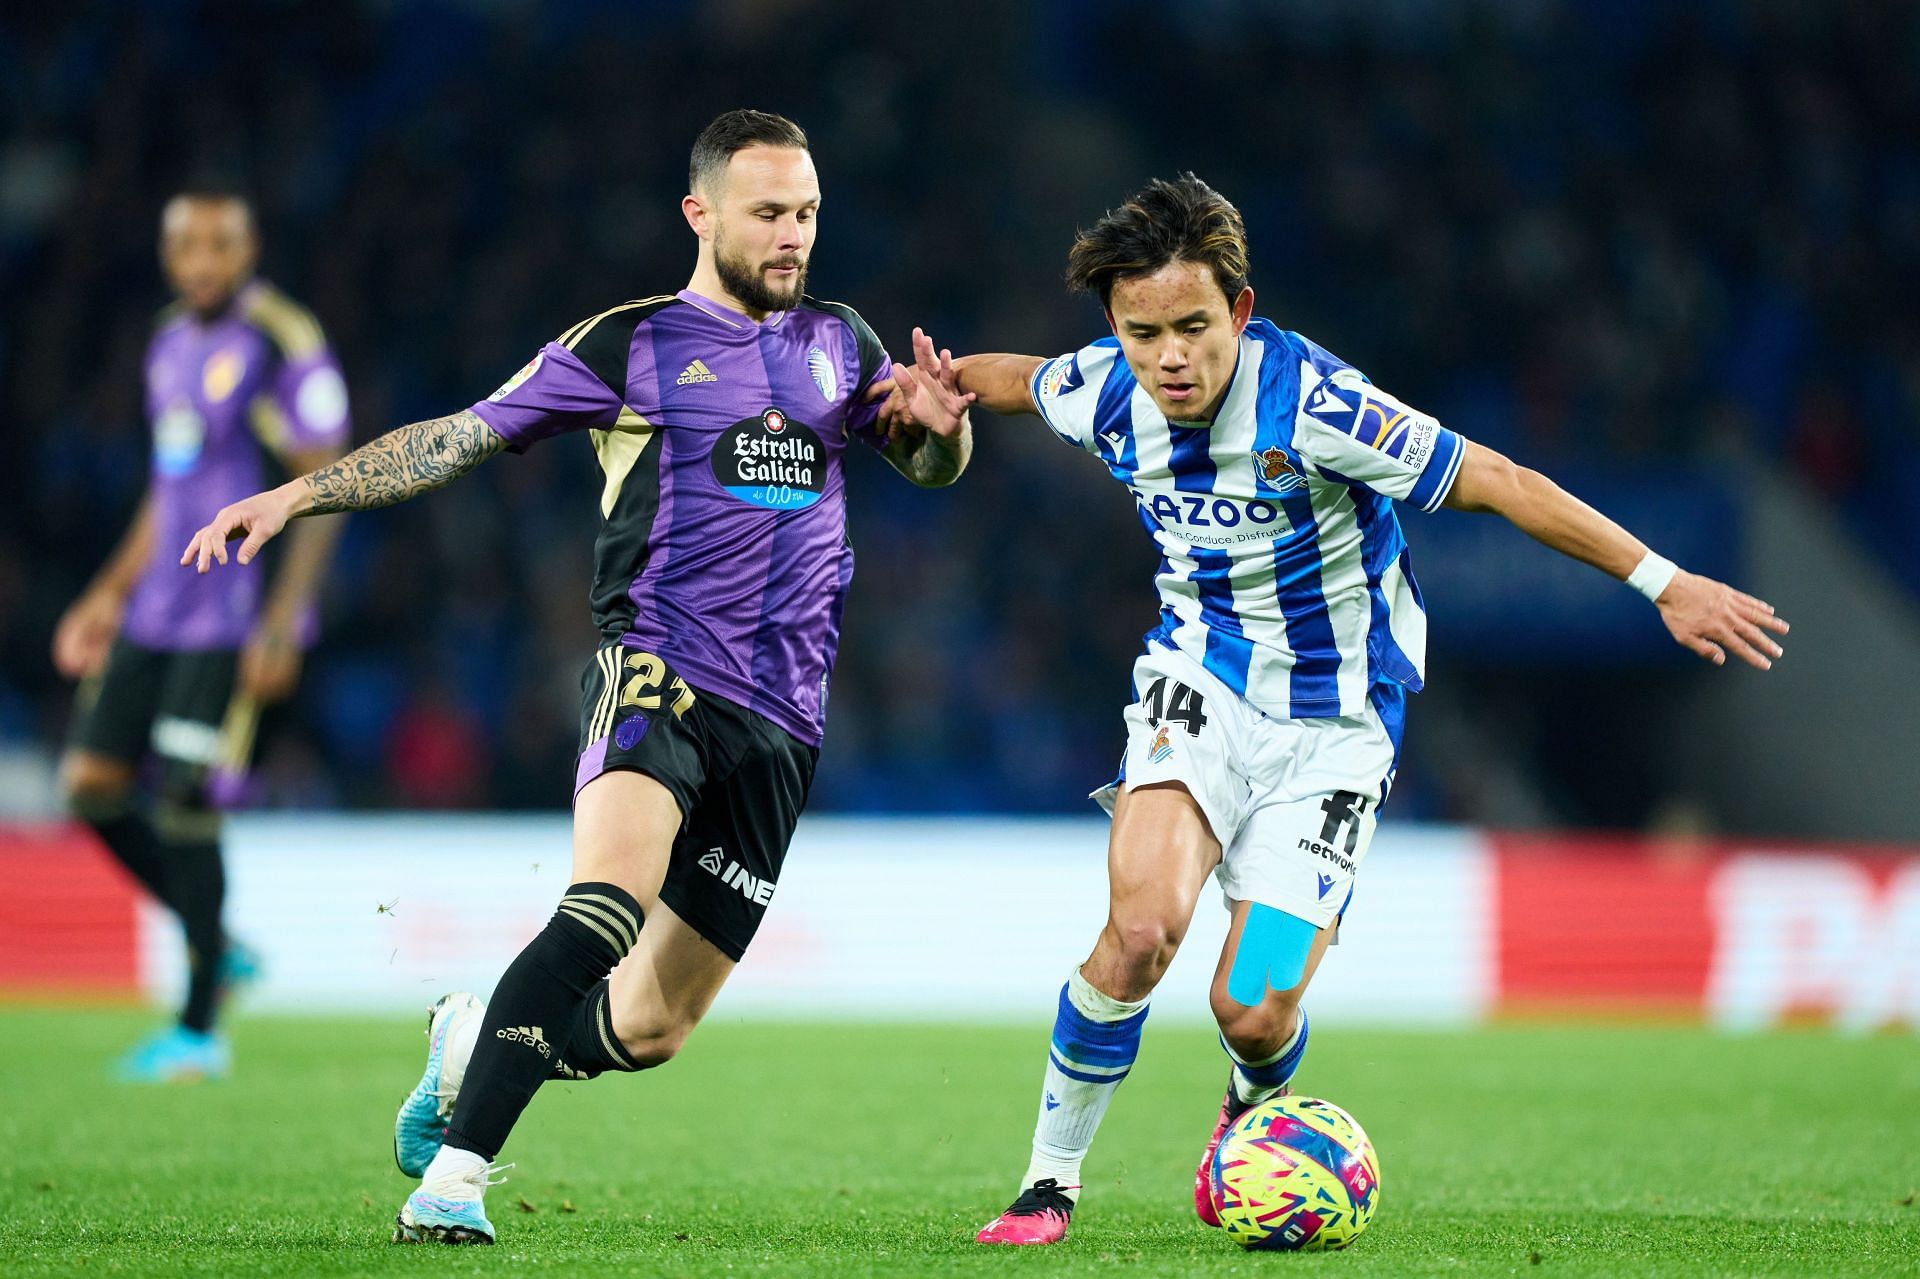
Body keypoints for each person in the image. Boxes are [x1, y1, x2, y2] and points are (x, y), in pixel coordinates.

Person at [939, 174, 1789, 1246]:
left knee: (1250, 1005)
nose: (1170, 358)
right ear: (1113, 327)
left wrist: (1663, 582)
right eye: (1142, 332)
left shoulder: (1322, 406)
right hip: (1197, 686)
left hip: (1337, 732)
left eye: (1195, 328)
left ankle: (1252, 1111)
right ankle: (1048, 1184)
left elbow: (1500, 479)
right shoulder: (1104, 389)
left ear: (1240, 313)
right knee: (1143, 928)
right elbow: (1011, 380)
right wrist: (922, 390)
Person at [180, 109, 974, 1246]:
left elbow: (931, 465)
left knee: (651, 1027)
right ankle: (452, 1182)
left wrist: (943, 432)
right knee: (604, 904)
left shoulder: (841, 342)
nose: (793, 235)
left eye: (805, 213)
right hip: (659, 669)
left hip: (787, 719)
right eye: (768, 214)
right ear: (701, 213)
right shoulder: (630, 342)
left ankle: (470, 1043)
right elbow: (456, 437)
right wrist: (294, 496)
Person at [52, 187, 350, 1082]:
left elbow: (325, 484)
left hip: (229, 618)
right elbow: (168, 487)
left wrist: (282, 618)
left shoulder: (283, 341)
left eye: (220, 243)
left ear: (249, 246)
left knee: (185, 796)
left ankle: (197, 1027)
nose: (203, 261)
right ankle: (217, 941)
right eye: (186, 243)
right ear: (168, 251)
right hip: (156, 610)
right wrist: (105, 593)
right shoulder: (169, 339)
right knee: (91, 784)